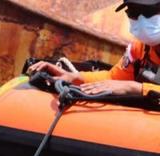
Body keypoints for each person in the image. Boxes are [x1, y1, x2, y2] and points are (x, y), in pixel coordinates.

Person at [28, 0, 160, 97]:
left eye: (149, 12)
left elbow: (126, 85)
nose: (141, 19)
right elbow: (114, 79)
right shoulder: (140, 49)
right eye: (133, 12)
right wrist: (74, 77)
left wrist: (135, 88)